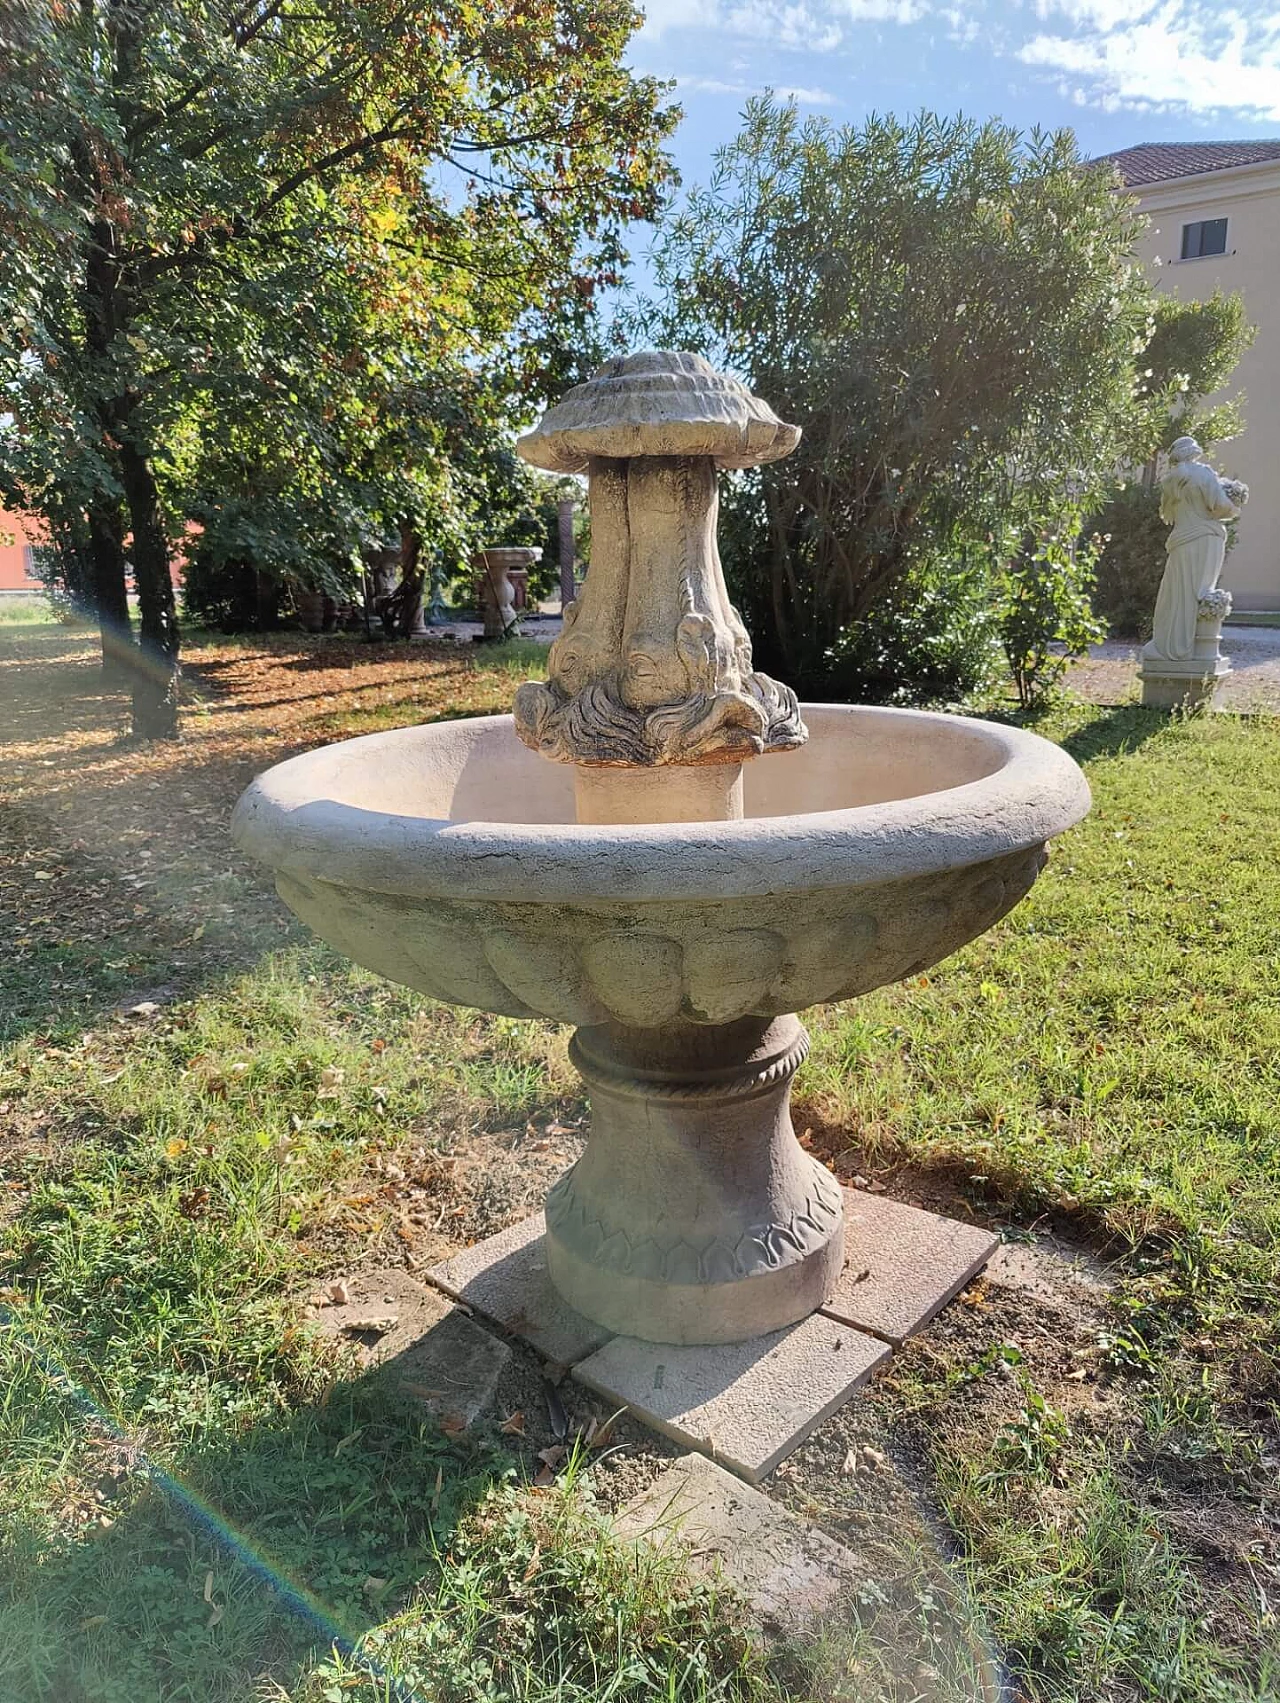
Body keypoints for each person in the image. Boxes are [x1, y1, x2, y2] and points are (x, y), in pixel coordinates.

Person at [1145, 437, 1247, 665]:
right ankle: (1191, 649)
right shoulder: (1203, 474)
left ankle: (1166, 644)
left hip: (1180, 540)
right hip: (1204, 539)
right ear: (1195, 452)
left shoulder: (1170, 480)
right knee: (1198, 592)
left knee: (1175, 592)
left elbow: (1169, 515)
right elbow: (1219, 506)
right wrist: (1235, 507)